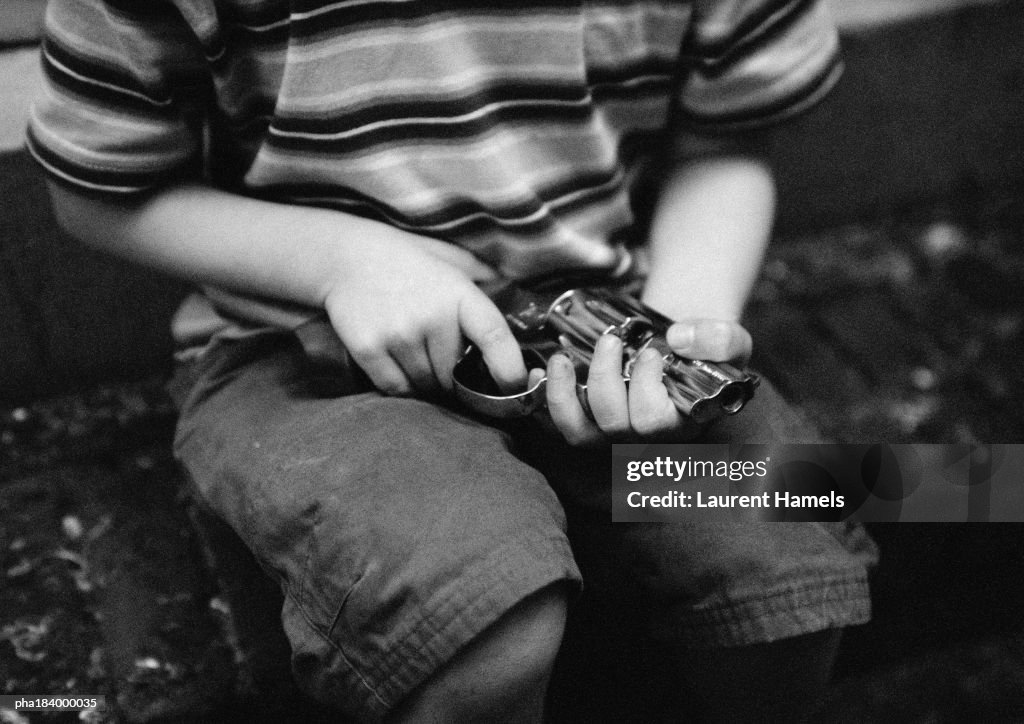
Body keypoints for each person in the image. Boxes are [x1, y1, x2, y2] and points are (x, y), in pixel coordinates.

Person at [29, 0, 877, 720]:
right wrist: (340, 264)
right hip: (303, 355)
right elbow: (101, 193)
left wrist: (681, 328)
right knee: (482, 629)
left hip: (604, 323)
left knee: (786, 590)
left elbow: (725, 141)